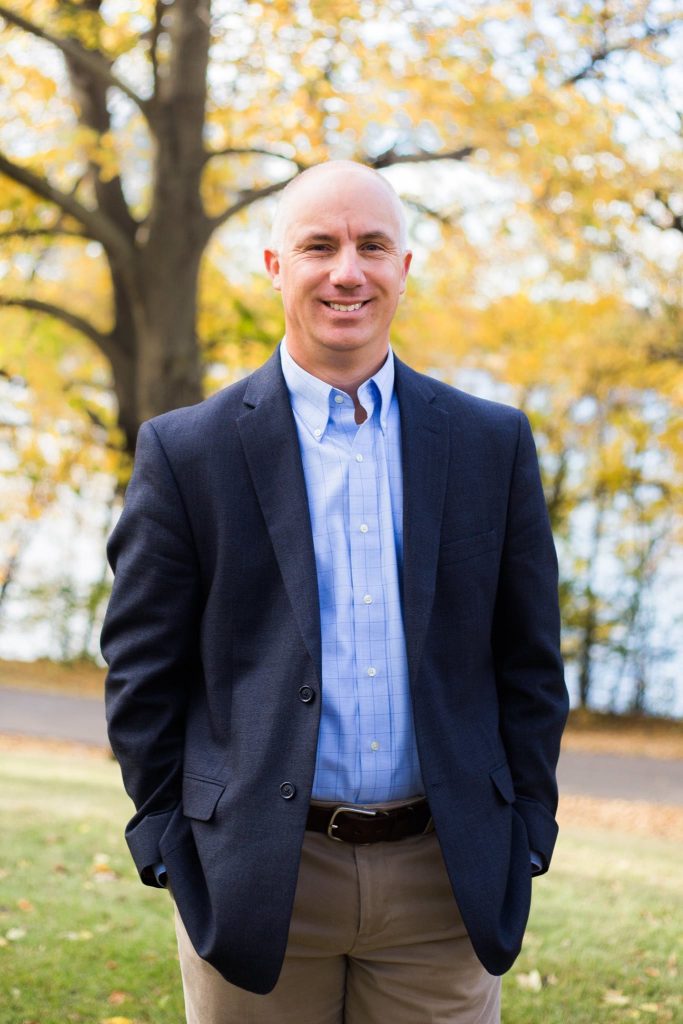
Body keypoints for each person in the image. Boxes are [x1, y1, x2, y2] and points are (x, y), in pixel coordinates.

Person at [101, 160, 568, 1024]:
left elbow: (530, 660)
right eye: (319, 245)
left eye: (371, 246)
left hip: (445, 880)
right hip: (256, 875)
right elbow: (140, 671)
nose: (346, 270)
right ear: (277, 265)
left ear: (403, 267)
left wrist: (524, 831)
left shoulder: (488, 443)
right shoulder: (187, 452)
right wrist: (169, 838)